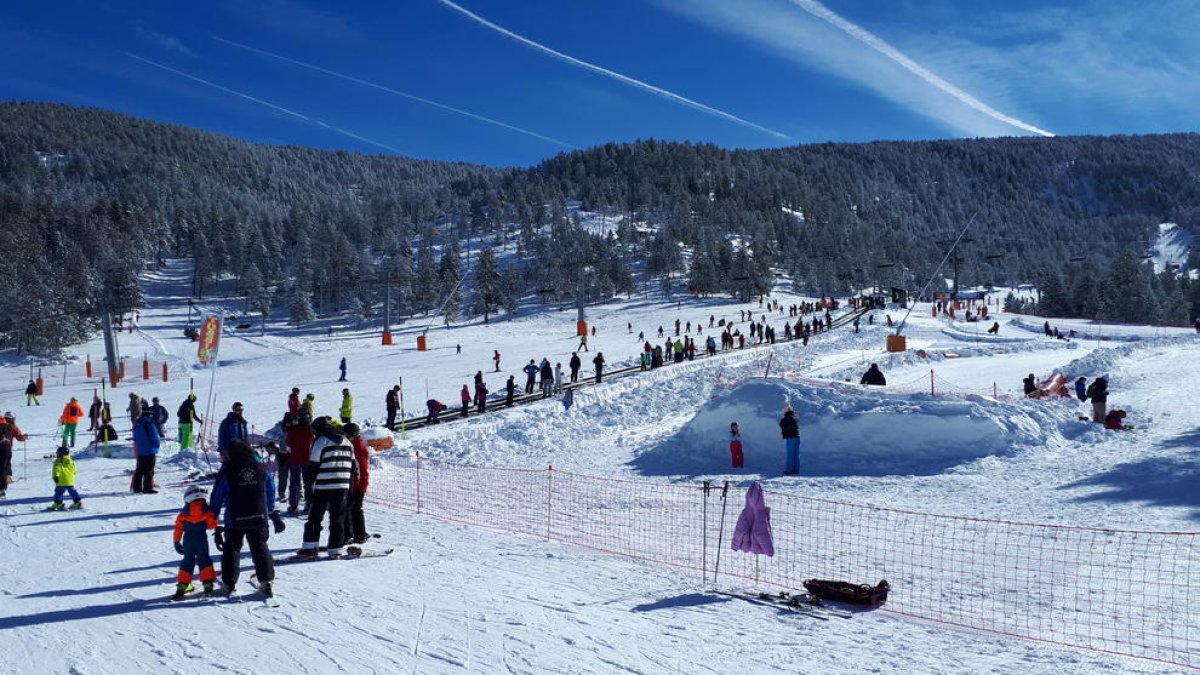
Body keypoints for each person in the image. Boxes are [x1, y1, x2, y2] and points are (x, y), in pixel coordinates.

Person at [209, 438, 282, 598]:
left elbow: (218, 495)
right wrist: (270, 509)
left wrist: (212, 514)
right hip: (259, 516)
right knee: (260, 547)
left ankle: (229, 583)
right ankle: (267, 581)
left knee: (232, 549)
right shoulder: (262, 468)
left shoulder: (228, 470)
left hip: (235, 518)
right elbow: (270, 489)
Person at [298, 417, 353, 558]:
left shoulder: (321, 441)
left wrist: (309, 488)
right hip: (343, 485)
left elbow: (313, 466)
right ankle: (336, 549)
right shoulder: (348, 442)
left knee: (315, 517)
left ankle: (310, 546)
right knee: (337, 518)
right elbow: (353, 466)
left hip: (324, 485)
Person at [171, 485, 218, 599]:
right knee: (204, 559)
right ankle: (207, 584)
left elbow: (178, 528)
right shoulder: (207, 512)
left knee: (187, 561)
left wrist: (176, 541)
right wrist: (213, 516)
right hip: (201, 539)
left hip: (188, 540)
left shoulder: (183, 514)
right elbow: (212, 526)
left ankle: (182, 586)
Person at [342, 422, 371, 545]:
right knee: (348, 509)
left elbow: (363, 470)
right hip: (351, 484)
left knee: (355, 509)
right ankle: (351, 534)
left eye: (347, 436)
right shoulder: (352, 445)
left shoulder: (358, 448)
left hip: (357, 486)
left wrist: (360, 488)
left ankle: (358, 535)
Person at [282, 411, 314, 516]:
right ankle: (309, 505)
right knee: (308, 483)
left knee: (295, 484)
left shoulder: (294, 431)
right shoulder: (311, 431)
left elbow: (288, 444)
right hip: (308, 460)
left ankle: (294, 506)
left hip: (295, 459)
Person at [132, 403, 161, 493]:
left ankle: (137, 487)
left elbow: (135, 437)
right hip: (149, 449)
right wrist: (156, 445)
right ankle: (147, 488)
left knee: (140, 469)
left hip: (141, 450)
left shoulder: (137, 423)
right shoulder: (149, 424)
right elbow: (154, 437)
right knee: (149, 470)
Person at [0, 412, 27, 497]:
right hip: (7, 448)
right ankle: (6, 481)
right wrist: (25, 437)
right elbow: (19, 437)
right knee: (6, 465)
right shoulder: (12, 426)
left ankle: (6, 480)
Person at [47, 446, 83, 511]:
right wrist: (71, 476)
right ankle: (77, 502)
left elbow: (56, 469)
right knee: (72, 491)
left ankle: (58, 503)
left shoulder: (58, 461)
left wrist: (55, 476)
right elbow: (74, 470)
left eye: (58, 453)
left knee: (59, 492)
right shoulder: (71, 461)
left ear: (60, 454)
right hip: (70, 480)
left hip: (61, 480)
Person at [780, 406, 800, 475]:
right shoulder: (795, 417)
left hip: (791, 438)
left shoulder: (787, 418)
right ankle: (796, 470)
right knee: (796, 455)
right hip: (797, 437)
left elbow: (781, 423)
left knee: (790, 455)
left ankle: (789, 471)